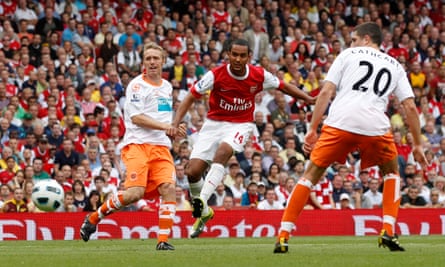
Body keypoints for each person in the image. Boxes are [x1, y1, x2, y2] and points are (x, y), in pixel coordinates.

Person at [273, 23, 428, 254]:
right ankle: (387, 229)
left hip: (340, 122)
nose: (351, 43)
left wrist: (313, 128)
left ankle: (283, 235)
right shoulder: (395, 65)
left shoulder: (347, 54)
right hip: (375, 126)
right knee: (392, 173)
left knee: (311, 175)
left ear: (366, 39)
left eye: (354, 39)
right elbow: (410, 107)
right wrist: (416, 144)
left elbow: (325, 92)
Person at [172, 38, 315, 238]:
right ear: (228, 55)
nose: (238, 59)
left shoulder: (258, 75)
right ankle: (203, 212)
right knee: (192, 172)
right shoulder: (216, 75)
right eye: (234, 55)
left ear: (249, 57)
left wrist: (307, 98)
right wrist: (175, 123)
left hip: (241, 125)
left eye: (242, 55)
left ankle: (202, 201)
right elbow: (189, 97)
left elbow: (283, 86)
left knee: (222, 152)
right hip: (213, 124)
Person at [80, 42, 186, 250]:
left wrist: (174, 128)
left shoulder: (166, 86)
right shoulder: (136, 86)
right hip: (137, 145)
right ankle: (93, 217)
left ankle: (162, 241)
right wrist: (166, 126)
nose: (152, 62)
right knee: (134, 194)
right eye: (148, 59)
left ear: (164, 61)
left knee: (169, 188)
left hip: (161, 147)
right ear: (143, 63)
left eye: (156, 58)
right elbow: (137, 118)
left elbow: (163, 117)